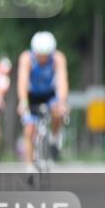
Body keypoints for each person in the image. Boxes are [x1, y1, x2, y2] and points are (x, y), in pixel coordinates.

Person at [16, 31, 69, 167]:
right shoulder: (26, 58)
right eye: (40, 55)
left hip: (49, 94)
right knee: (29, 129)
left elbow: (62, 81)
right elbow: (22, 81)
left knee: (59, 113)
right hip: (32, 95)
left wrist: (62, 101)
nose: (43, 59)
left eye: (46, 55)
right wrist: (23, 102)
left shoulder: (58, 58)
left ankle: (54, 138)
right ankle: (29, 165)